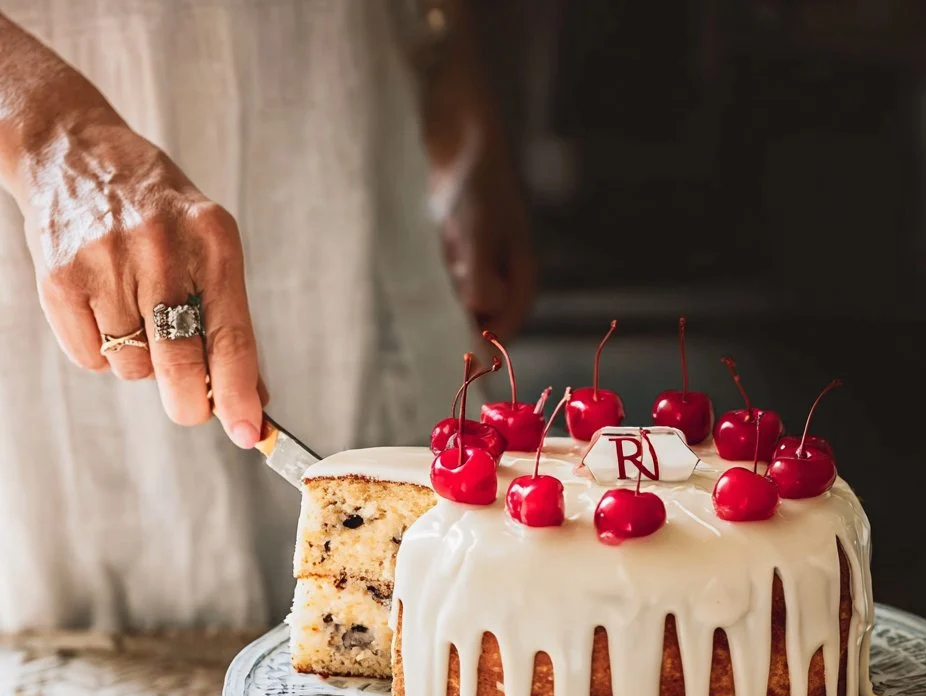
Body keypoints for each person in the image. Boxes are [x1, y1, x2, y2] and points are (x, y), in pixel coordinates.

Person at [0, 1, 535, 631]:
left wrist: (459, 96)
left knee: (431, 620)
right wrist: (52, 133)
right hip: (65, 206)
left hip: (352, 140)